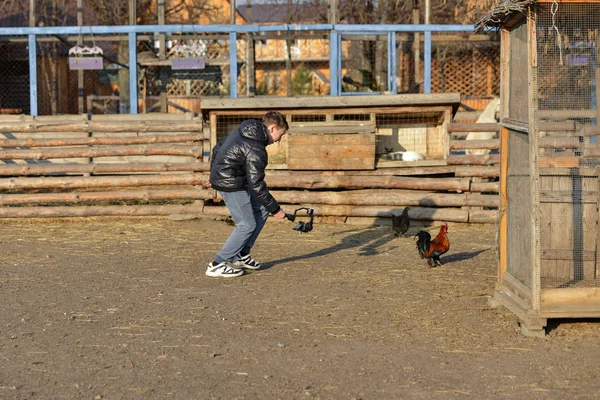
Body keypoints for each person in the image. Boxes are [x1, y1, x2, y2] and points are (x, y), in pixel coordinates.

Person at [206, 111, 289, 278]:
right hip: (232, 184)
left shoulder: (245, 130)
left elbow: (218, 147)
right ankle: (217, 264)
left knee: (262, 210)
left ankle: (241, 254)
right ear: (273, 128)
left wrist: (213, 173)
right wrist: (276, 209)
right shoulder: (256, 148)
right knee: (246, 224)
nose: (280, 139)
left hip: (233, 179)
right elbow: (257, 184)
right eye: (281, 134)